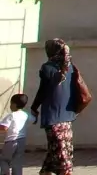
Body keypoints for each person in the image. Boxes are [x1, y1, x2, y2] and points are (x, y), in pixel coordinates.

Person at [30, 38, 76, 175]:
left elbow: (42, 91)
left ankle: (63, 171)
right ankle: (47, 171)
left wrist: (34, 107)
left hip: (53, 116)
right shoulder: (70, 67)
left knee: (58, 149)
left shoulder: (47, 68)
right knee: (60, 148)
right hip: (66, 116)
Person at [0, 93, 29, 175]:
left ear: (14, 104)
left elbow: (4, 127)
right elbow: (33, 119)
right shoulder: (25, 115)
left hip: (11, 141)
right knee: (17, 161)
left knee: (4, 159)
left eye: (11, 103)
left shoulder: (11, 115)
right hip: (22, 141)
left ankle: (5, 173)